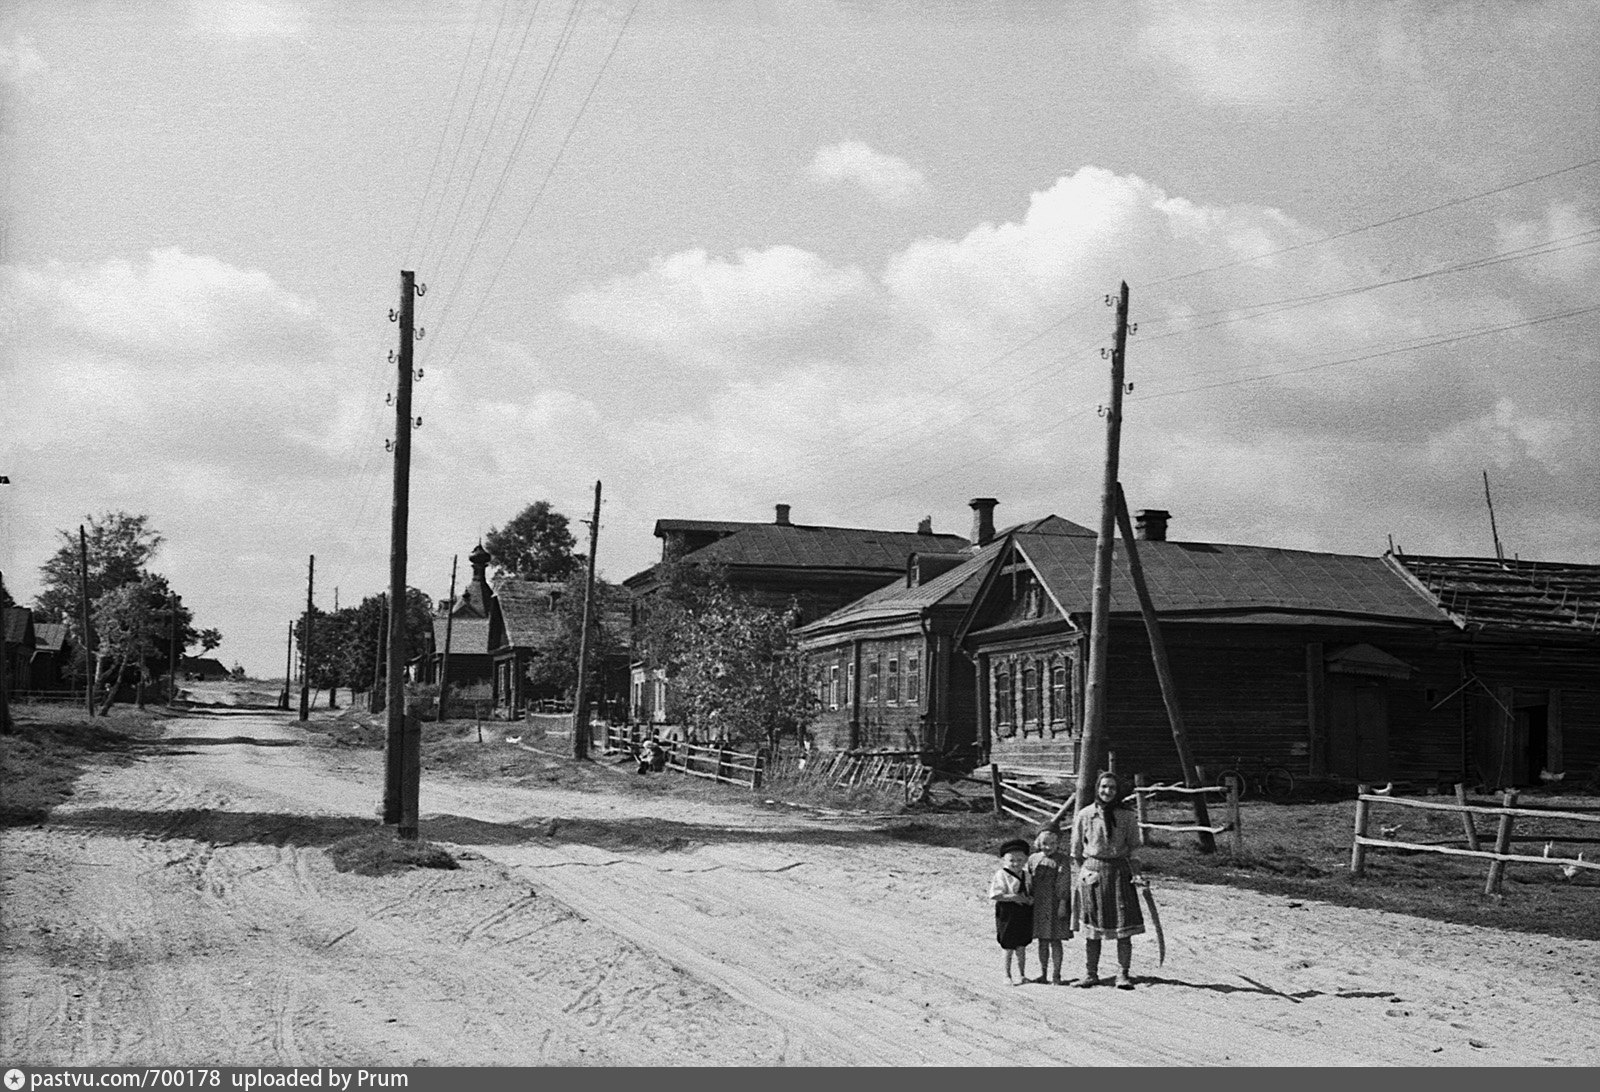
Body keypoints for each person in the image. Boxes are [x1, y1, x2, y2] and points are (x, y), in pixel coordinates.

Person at [1070, 771, 1145, 989]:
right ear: (1097, 788)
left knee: (1124, 926)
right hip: (1093, 872)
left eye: (1112, 788)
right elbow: (1075, 852)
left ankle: (1122, 974)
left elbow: (1133, 849)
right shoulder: (1085, 815)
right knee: (1093, 928)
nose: (1107, 791)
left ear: (1117, 791)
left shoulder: (1127, 816)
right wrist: (1083, 876)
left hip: (1120, 872)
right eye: (1104, 787)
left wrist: (1137, 874)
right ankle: (1090, 973)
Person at [1027, 826, 1073, 984]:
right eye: (1045, 843)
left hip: (1055, 903)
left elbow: (1064, 883)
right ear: (1038, 842)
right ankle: (1043, 973)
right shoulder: (1033, 858)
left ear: (1058, 843)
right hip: (1039, 903)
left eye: (1052, 843)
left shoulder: (1062, 859)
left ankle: (1056, 975)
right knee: (1042, 939)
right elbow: (1028, 880)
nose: (1048, 847)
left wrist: (1062, 904)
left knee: (1055, 939)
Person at [988, 838, 1034, 984]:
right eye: (1012, 860)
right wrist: (1014, 897)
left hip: (1023, 912)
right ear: (1004, 860)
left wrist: (1030, 899)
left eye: (1020, 860)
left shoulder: (1027, 875)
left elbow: (1030, 891)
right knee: (1008, 945)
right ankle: (1006, 975)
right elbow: (995, 894)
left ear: (1026, 859)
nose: (1016, 863)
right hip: (1007, 911)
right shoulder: (1001, 875)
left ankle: (1021, 974)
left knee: (1021, 945)